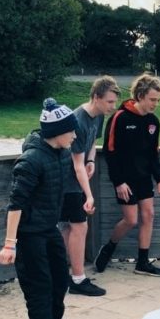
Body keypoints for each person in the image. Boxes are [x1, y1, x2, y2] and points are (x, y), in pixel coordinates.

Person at [0, 101, 80, 319]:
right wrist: (10, 243)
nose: (75, 136)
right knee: (39, 286)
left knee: (59, 279)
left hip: (49, 228)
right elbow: (16, 203)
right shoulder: (32, 160)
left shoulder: (62, 153)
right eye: (71, 131)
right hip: (30, 234)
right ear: (56, 132)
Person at [94, 74, 160, 277]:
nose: (155, 104)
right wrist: (118, 182)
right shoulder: (120, 118)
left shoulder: (153, 122)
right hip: (124, 180)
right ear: (140, 96)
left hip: (144, 177)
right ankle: (109, 247)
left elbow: (153, 154)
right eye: (152, 99)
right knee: (130, 220)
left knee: (149, 215)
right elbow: (110, 153)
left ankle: (143, 262)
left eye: (158, 100)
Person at [61, 77, 121, 297]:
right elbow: (76, 165)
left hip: (77, 178)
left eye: (114, 102)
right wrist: (89, 195)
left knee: (69, 228)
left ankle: (61, 274)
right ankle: (77, 279)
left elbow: (92, 144)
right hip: (67, 181)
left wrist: (92, 161)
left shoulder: (98, 117)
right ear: (96, 97)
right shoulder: (78, 120)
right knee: (79, 226)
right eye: (109, 102)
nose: (112, 107)